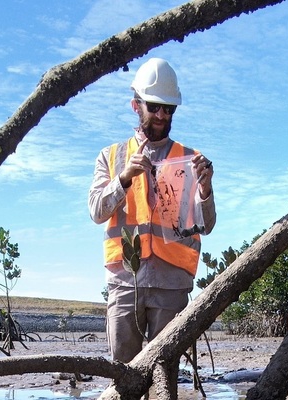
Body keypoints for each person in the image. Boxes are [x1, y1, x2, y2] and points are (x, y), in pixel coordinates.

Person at [88, 58, 216, 363]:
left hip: (172, 283)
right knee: (124, 374)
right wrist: (124, 179)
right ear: (136, 105)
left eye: (168, 108)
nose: (161, 115)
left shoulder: (190, 159)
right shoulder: (112, 156)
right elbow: (96, 211)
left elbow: (207, 225)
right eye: (154, 106)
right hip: (125, 281)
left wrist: (206, 188)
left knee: (164, 376)